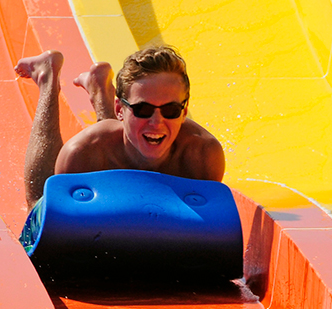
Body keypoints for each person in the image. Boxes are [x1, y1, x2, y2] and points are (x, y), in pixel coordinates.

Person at [16, 44, 224, 207]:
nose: (157, 121)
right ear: (119, 110)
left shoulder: (203, 156)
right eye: (142, 109)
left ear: (184, 112)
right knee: (39, 200)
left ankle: (100, 89)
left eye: (170, 110)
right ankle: (47, 75)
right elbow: (55, 232)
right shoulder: (81, 155)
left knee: (135, 133)